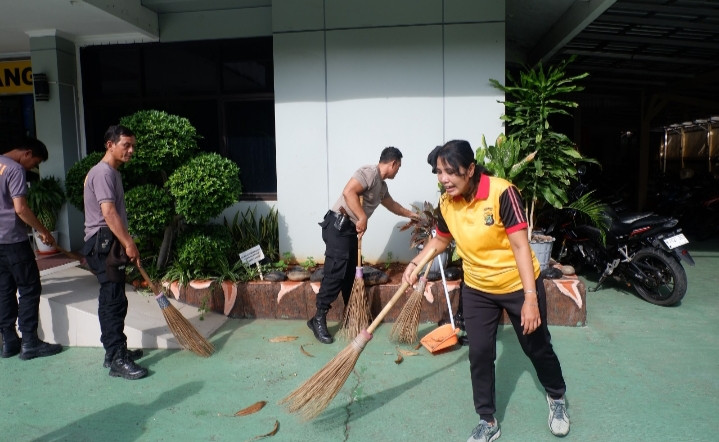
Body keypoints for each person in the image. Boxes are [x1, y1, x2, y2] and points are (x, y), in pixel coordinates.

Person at [405, 140, 570, 442]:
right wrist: (416, 263)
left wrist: (531, 299)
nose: (444, 179)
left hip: (518, 285)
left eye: (451, 172)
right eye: (439, 172)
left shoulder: (501, 192)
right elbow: (441, 240)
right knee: (480, 353)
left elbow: (521, 246)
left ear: (470, 169)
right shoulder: (447, 202)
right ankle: (487, 420)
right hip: (478, 288)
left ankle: (557, 397)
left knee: (536, 346)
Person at [308, 146, 418, 344]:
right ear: (392, 163)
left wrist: (411, 215)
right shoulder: (368, 173)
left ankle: (353, 316)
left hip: (350, 230)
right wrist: (362, 216)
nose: (398, 171)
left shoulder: (381, 187)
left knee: (350, 275)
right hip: (338, 226)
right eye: (399, 167)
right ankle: (318, 318)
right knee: (335, 273)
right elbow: (349, 192)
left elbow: (392, 205)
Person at [82, 125, 146, 380]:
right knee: (112, 300)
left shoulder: (113, 173)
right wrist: (129, 243)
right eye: (126, 145)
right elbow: (108, 213)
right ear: (110, 144)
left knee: (116, 298)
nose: (131, 151)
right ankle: (116, 359)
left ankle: (116, 351)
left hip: (108, 242)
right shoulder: (102, 173)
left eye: (133, 146)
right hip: (103, 243)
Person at [0, 137, 63, 360]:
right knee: (29, 287)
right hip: (13, 240)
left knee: (4, 289)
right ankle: (29, 342)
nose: (31, 167)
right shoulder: (15, 169)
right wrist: (43, 231)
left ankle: (9, 342)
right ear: (27, 153)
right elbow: (20, 208)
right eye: (34, 162)